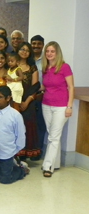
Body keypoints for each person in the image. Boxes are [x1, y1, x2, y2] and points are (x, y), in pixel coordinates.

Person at [41, 42, 74, 177]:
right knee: (53, 135)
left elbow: (71, 87)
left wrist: (69, 106)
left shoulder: (65, 67)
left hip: (61, 106)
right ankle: (56, 163)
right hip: (46, 104)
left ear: (57, 53)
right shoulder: (45, 68)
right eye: (47, 51)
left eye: (52, 51)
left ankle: (48, 166)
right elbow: (45, 87)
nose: (49, 53)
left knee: (53, 136)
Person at [0, 86, 28, 184]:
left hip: (6, 152)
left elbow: (21, 136)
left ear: (8, 98)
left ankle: (21, 170)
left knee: (5, 180)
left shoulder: (15, 115)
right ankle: (11, 166)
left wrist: (13, 151)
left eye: (0, 97)